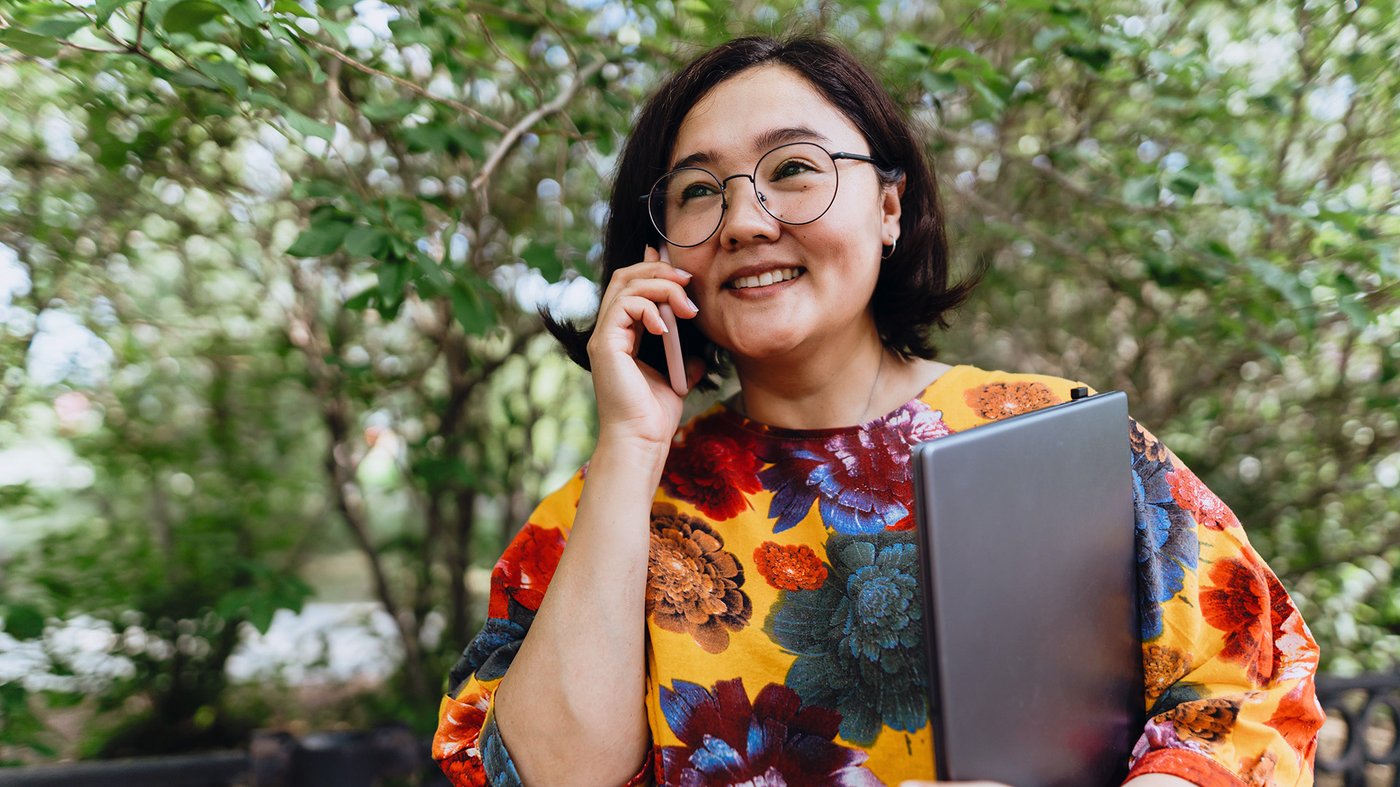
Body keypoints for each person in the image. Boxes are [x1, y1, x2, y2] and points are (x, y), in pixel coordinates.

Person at [432, 35, 1324, 787]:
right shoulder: (601, 512)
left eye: (792, 169)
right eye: (699, 190)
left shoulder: (1066, 444)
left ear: (889, 206)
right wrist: (631, 440)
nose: (744, 219)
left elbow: (1251, 698)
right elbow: (534, 774)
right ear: (661, 251)